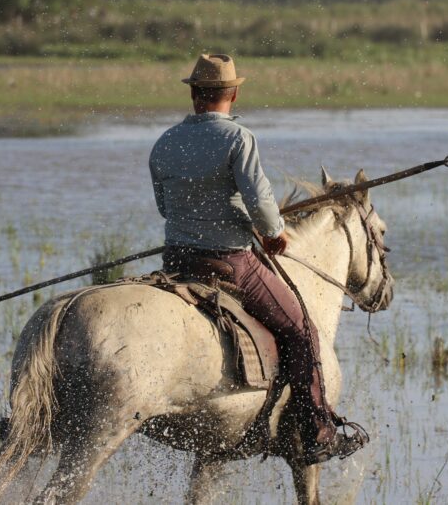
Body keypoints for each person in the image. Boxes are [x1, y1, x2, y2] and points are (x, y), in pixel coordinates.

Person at [149, 53, 356, 464]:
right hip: (229, 261)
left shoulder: (165, 141)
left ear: (194, 94)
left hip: (177, 260)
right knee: (301, 327)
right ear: (235, 92)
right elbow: (259, 200)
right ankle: (318, 430)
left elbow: (164, 206)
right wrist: (274, 233)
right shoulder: (237, 139)